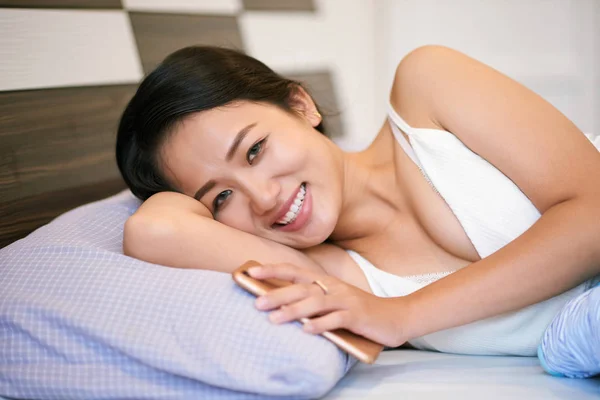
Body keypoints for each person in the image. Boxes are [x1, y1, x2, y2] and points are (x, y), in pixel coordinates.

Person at [116, 45, 600, 374]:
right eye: (221, 197)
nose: (263, 199)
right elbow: (154, 230)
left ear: (301, 105)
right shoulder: (341, 280)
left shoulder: (427, 88)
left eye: (255, 150)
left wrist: (402, 315)